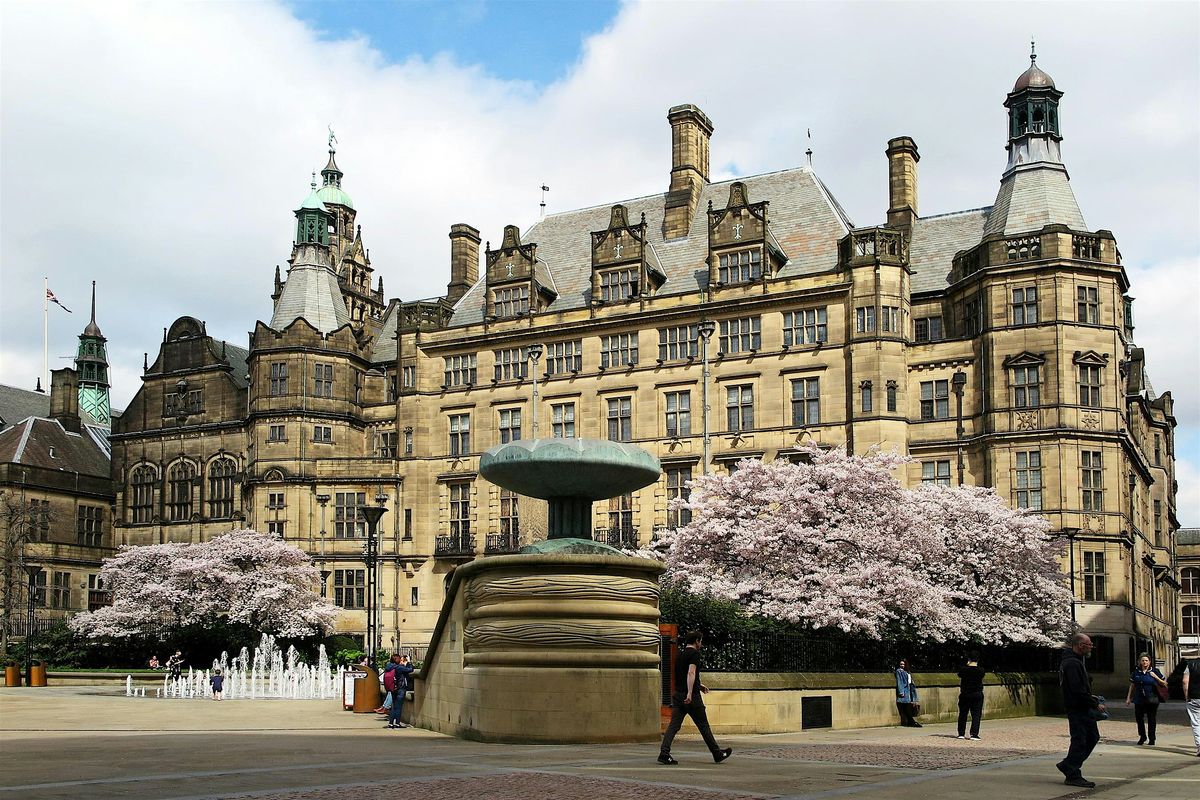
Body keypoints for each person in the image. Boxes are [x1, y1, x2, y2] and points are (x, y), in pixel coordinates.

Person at [658, 630, 732, 765]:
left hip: (678, 695)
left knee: (673, 725)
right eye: (700, 641)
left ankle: (664, 752)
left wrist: (700, 685)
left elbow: (683, 674)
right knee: (703, 726)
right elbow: (691, 673)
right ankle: (717, 753)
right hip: (690, 697)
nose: (701, 644)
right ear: (697, 641)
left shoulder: (679, 654)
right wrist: (691, 693)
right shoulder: (694, 654)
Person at [1056, 632, 1105, 788]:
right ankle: (1071, 770)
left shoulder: (1075, 662)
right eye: (1089, 644)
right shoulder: (1072, 663)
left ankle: (1070, 766)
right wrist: (1093, 703)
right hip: (1078, 707)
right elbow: (1077, 689)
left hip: (1081, 706)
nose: (1091, 647)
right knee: (1081, 740)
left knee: (1090, 737)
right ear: (1080, 645)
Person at [1124, 653, 1166, 745]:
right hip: (1139, 698)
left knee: (1151, 718)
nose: (1144, 662)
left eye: (1146, 660)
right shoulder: (1136, 672)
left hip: (1152, 698)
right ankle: (1142, 736)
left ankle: (1152, 738)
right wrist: (1128, 698)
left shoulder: (1155, 671)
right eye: (1143, 660)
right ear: (1139, 661)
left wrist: (1155, 677)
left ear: (1149, 662)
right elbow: (1132, 685)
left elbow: (1164, 683)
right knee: (1139, 718)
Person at [957, 652, 986, 740]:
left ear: (968, 659)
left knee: (963, 714)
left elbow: (959, 674)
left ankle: (961, 733)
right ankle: (974, 734)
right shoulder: (981, 670)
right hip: (977, 694)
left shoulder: (963, 670)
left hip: (965, 694)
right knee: (976, 715)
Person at [383, 653, 414, 730]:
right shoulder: (399, 668)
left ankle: (390, 723)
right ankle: (397, 723)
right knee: (399, 707)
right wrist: (408, 662)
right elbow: (410, 670)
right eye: (399, 659)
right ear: (397, 660)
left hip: (393, 688)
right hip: (400, 688)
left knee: (394, 706)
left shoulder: (389, 667)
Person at [895, 659, 921, 727]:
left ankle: (909, 722)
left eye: (903, 664)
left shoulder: (907, 671)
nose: (902, 665)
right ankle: (911, 722)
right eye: (901, 664)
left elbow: (910, 681)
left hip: (910, 690)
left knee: (908, 707)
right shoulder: (899, 671)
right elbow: (899, 681)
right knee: (906, 707)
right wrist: (901, 692)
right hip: (904, 691)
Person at [1182, 656, 1200, 757]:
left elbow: (1185, 681)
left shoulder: (1191, 664)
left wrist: (1186, 696)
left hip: (1194, 696)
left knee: (1196, 722)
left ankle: (1199, 745)